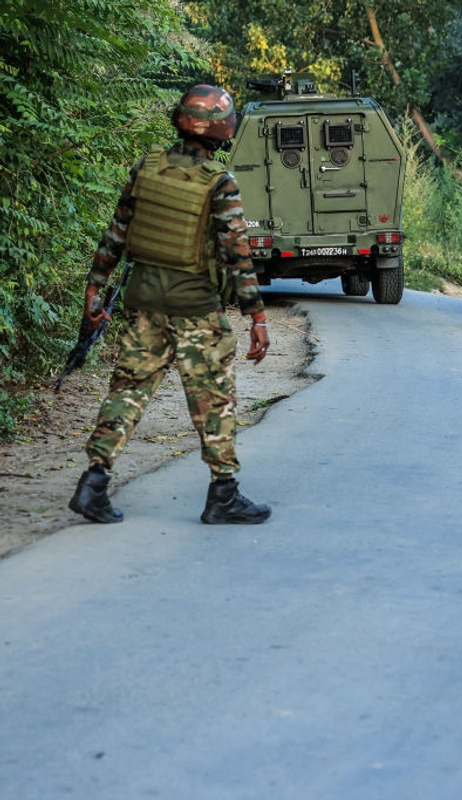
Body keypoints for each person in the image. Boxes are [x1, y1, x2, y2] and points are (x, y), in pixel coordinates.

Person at [69, 84, 272, 526]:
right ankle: (224, 494)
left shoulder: (147, 167)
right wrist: (256, 316)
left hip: (143, 299)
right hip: (195, 305)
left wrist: (95, 286)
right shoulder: (219, 183)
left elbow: (117, 232)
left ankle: (93, 483)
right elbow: (238, 253)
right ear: (220, 129)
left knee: (128, 391)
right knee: (213, 399)